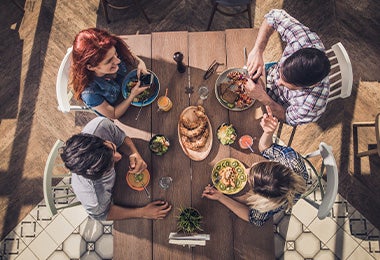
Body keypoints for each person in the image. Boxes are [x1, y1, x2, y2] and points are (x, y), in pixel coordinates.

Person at [202, 106, 308, 226]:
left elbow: (252, 218)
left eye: (249, 178)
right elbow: (265, 148)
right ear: (275, 162)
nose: (245, 171)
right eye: (253, 167)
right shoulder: (290, 159)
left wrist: (221, 197)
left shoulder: (267, 205)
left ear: (259, 194)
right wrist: (268, 132)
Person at [60, 117, 172, 220]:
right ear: (99, 176)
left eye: (113, 149)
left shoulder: (101, 126)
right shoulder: (94, 197)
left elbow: (120, 138)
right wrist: (142, 212)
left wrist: (134, 153)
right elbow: (103, 215)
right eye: (111, 163)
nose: (119, 156)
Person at [244, 9, 331, 126]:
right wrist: (258, 50)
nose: (278, 82)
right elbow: (274, 16)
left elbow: (286, 117)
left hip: (275, 104)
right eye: (281, 76)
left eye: (285, 84)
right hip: (269, 71)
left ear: (309, 86)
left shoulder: (312, 105)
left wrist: (263, 97)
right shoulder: (304, 40)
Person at [70, 28, 150, 119]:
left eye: (115, 54)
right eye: (109, 61)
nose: (118, 60)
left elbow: (127, 51)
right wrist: (132, 95)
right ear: (91, 67)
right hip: (120, 107)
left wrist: (139, 62)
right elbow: (113, 114)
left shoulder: (108, 50)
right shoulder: (89, 94)